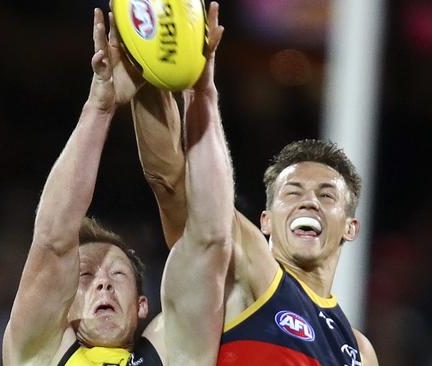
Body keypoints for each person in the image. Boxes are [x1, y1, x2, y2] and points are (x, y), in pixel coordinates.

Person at [130, 6, 380, 366]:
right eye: (292, 192)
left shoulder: (359, 350)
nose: (309, 201)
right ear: (264, 220)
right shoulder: (246, 269)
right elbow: (170, 180)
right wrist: (149, 71)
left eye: (326, 195)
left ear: (351, 227)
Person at [3, 3, 231, 365]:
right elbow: (52, 238)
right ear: (65, 305)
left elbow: (211, 239)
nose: (104, 284)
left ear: (143, 306)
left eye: (118, 275)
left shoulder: (174, 353)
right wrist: (99, 106)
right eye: (87, 276)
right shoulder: (41, 354)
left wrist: (201, 93)